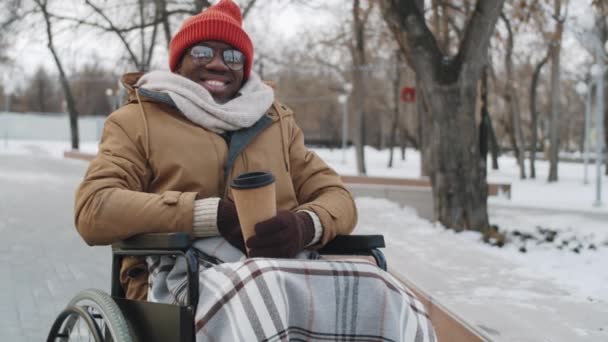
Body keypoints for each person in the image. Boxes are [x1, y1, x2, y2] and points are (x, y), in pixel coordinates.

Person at [75, 1, 435, 341]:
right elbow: (94, 208)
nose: (218, 64)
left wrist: (303, 225)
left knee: (382, 288)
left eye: (232, 56)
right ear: (179, 61)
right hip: (178, 274)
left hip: (285, 267)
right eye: (202, 52)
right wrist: (207, 214)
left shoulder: (276, 124)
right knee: (261, 286)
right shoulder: (136, 121)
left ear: (244, 68)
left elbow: (338, 198)